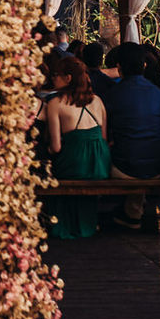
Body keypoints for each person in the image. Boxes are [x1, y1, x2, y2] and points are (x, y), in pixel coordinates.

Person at [105, 42, 160, 235]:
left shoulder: (113, 93)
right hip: (157, 165)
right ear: (144, 65)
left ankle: (124, 213)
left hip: (125, 166)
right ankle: (132, 213)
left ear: (118, 67)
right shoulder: (159, 93)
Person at [46, 57, 110, 239]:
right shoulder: (97, 100)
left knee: (53, 169)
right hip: (99, 164)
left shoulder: (55, 104)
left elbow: (56, 147)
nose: (52, 79)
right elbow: (103, 138)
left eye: (55, 75)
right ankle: (87, 222)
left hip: (75, 164)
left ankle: (64, 222)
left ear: (68, 78)